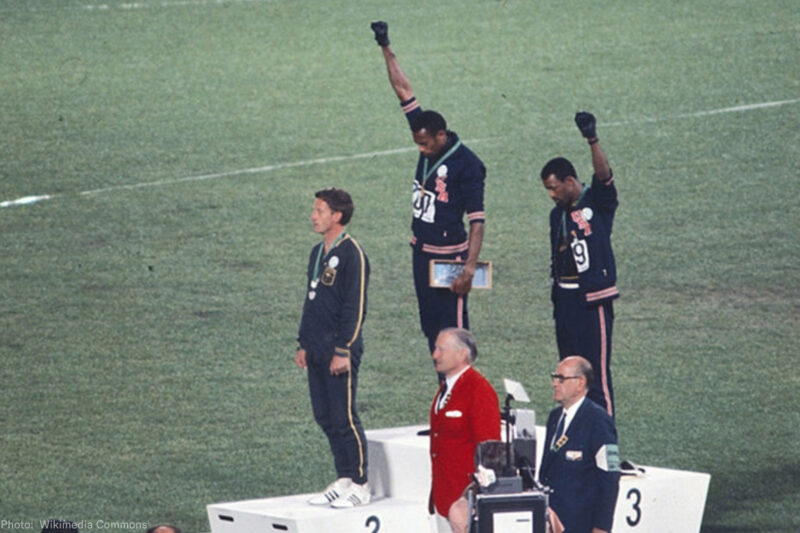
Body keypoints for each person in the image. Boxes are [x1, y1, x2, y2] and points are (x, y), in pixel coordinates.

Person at [371, 21, 487, 355]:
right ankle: (444, 394)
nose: (420, 150)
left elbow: (477, 220)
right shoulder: (425, 130)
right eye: (417, 145)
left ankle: (461, 399)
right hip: (421, 253)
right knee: (430, 330)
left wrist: (468, 268)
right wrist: (385, 44)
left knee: (454, 334)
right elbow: (403, 89)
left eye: (424, 145)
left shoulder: (468, 164)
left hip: (449, 258)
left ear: (440, 135)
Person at [295, 188, 371, 508]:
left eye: (320, 210)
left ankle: (361, 483)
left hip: (340, 350)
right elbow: (311, 301)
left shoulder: (353, 254)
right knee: (324, 415)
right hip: (316, 348)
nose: (313, 216)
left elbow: (356, 306)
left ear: (337, 216)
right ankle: (343, 478)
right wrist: (302, 343)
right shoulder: (318, 252)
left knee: (344, 416)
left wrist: (344, 350)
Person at [539, 112, 619, 417]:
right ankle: (579, 436)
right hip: (565, 300)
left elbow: (604, 176)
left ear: (570, 181)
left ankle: (606, 445)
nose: (551, 195)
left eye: (554, 188)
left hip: (592, 299)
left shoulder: (596, 201)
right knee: (569, 373)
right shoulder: (555, 214)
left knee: (595, 375)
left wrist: (592, 139)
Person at [428, 328, 500, 533]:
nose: (435, 355)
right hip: (444, 500)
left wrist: (471, 498)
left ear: (462, 354)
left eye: (441, 350)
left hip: (464, 505)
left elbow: (490, 451)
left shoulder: (479, 389)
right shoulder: (446, 388)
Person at [539, 356, 620, 533]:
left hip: (580, 523)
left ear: (580, 383)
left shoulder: (598, 421)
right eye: (554, 377)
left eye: (561, 378)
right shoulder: (554, 417)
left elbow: (609, 478)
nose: (554, 383)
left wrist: (601, 526)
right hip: (550, 521)